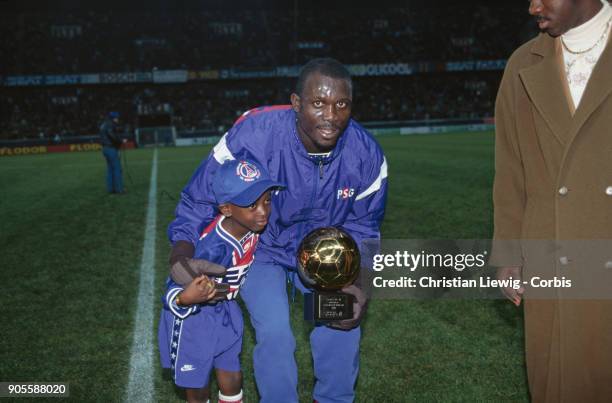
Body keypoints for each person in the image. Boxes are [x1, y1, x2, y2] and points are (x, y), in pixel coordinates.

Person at [167, 58, 388, 403]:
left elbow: (364, 224)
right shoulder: (254, 135)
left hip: (325, 254)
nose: (331, 116)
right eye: (318, 103)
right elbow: (200, 197)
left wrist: (359, 281)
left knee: (341, 324)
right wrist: (181, 252)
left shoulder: (365, 153)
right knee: (276, 333)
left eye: (341, 104)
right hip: (262, 249)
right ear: (296, 104)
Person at [492, 0, 612, 401]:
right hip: (550, 252)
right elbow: (510, 169)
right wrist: (508, 253)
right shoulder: (523, 63)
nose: (532, 7)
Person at [159, 158, 284, 403]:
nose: (263, 211)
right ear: (227, 209)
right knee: (197, 385)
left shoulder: (250, 225)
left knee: (232, 375)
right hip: (193, 319)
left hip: (225, 309)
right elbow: (174, 287)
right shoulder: (213, 247)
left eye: (267, 201)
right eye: (251, 204)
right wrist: (185, 299)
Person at [99, 111, 124, 194]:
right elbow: (112, 136)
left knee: (110, 169)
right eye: (117, 118)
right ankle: (119, 189)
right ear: (114, 118)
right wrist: (120, 141)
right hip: (111, 149)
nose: (118, 119)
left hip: (105, 148)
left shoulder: (103, 124)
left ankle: (110, 189)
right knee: (117, 169)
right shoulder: (110, 125)